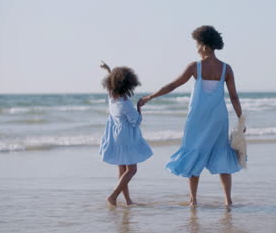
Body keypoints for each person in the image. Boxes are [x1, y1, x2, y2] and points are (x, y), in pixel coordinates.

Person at [138, 25, 244, 207]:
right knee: (221, 155)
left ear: (203, 45)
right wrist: (241, 119)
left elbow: (172, 86)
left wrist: (150, 97)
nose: (196, 49)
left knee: (194, 154)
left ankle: (193, 200)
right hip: (218, 120)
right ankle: (228, 201)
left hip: (197, 120)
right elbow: (234, 96)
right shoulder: (226, 69)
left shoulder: (196, 67)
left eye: (197, 45)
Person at [100, 62, 153, 206]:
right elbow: (136, 121)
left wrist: (108, 70)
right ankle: (113, 196)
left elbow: (112, 82)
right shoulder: (125, 103)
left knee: (122, 169)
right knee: (132, 169)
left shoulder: (112, 96)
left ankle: (128, 200)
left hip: (116, 136)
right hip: (126, 137)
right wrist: (139, 107)